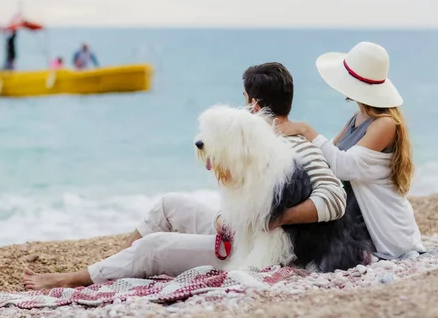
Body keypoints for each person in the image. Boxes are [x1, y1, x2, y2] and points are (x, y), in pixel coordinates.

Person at [22, 62, 347, 290]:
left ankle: (79, 277)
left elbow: (334, 199)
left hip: (258, 249)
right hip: (236, 231)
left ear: (254, 104)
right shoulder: (245, 142)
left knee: (155, 247)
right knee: (168, 204)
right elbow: (245, 200)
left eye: (245, 99)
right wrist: (228, 217)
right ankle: (113, 264)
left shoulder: (294, 145)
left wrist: (273, 219)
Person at [276, 41, 425, 260]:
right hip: (352, 214)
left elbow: (345, 167)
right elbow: (327, 159)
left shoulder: (385, 124)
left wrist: (305, 129)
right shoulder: (357, 118)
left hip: (379, 228)